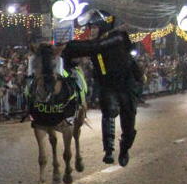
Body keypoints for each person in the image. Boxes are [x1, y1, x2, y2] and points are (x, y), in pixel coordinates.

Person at [61, 9, 143, 167]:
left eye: (93, 28)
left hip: (126, 83)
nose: (90, 31)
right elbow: (82, 49)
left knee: (128, 121)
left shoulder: (117, 38)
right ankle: (109, 150)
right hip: (107, 83)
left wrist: (69, 46)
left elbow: (94, 47)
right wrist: (63, 51)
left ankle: (124, 148)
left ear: (103, 26)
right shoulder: (96, 42)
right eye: (89, 28)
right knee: (109, 110)